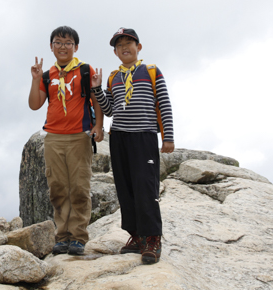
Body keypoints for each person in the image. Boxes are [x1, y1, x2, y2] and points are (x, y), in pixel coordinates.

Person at [90, 27, 174, 264]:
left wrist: (168, 136)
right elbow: (109, 110)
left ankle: (153, 239)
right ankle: (136, 236)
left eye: (129, 42)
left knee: (145, 187)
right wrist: (97, 88)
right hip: (119, 137)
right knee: (125, 188)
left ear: (138, 47)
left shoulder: (151, 71)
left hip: (144, 136)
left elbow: (165, 104)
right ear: (115, 52)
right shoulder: (113, 77)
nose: (124, 47)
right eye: (119, 45)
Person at [29, 26, 104, 255]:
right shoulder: (46, 75)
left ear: (76, 47)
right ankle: (61, 236)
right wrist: (34, 79)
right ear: (51, 47)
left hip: (79, 137)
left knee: (80, 188)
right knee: (58, 188)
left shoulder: (84, 70)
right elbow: (34, 104)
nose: (63, 47)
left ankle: (78, 237)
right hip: (53, 138)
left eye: (68, 43)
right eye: (58, 42)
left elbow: (96, 100)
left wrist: (99, 126)